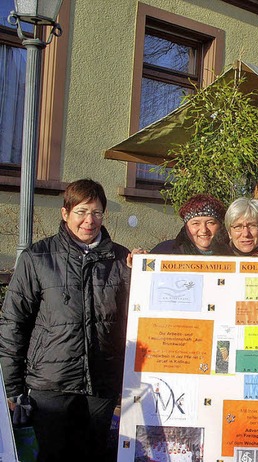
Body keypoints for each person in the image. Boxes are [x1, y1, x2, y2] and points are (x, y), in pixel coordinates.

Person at [0, 179, 132, 462]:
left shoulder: (121, 259)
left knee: (93, 455)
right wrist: (11, 387)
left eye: (96, 212)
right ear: (65, 213)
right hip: (51, 385)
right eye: (82, 212)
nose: (89, 220)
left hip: (101, 384)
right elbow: (14, 322)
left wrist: (147, 268)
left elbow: (138, 316)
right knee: (52, 456)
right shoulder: (38, 257)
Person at [151, 194, 231, 255]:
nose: (204, 230)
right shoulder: (164, 251)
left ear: (220, 225)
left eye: (210, 223)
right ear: (186, 227)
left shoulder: (233, 253)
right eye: (196, 223)